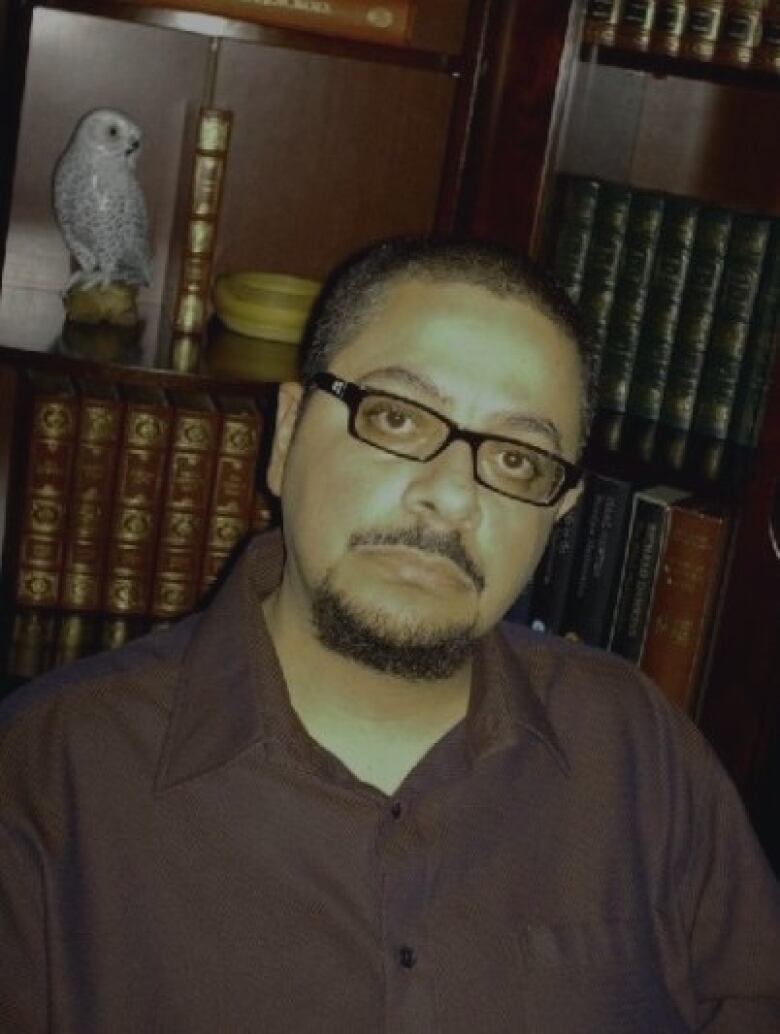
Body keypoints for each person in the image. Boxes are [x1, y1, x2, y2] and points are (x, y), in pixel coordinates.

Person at [1, 238, 778, 1033]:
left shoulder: (641, 753)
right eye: (397, 418)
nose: (449, 496)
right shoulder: (48, 778)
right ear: (288, 433)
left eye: (516, 460)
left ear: (559, 512)